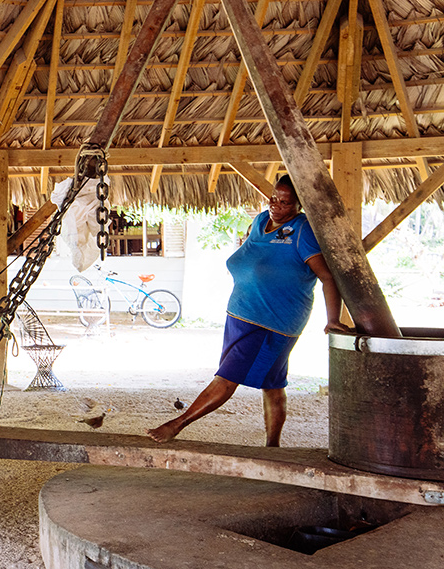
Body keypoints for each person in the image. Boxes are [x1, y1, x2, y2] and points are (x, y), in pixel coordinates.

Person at [148, 175, 350, 447]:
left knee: (227, 377)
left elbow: (328, 277)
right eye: (274, 198)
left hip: (272, 322)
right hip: (241, 316)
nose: (276, 206)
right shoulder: (258, 223)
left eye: (285, 202)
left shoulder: (303, 231)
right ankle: (273, 447)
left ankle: (177, 424)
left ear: (300, 205)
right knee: (273, 384)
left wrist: (333, 319)